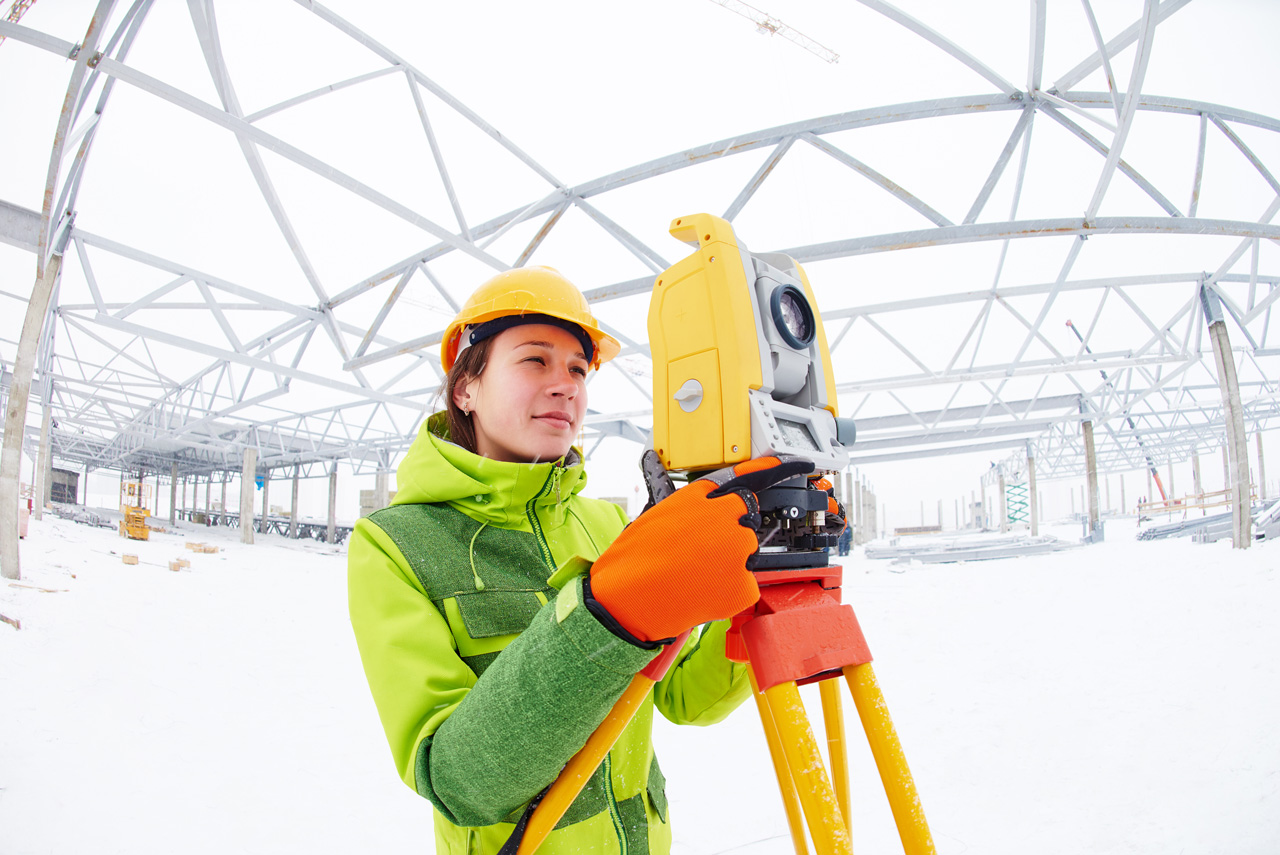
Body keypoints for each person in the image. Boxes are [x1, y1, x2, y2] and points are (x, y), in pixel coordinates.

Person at [347, 266, 808, 854]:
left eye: (577, 370)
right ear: (466, 387)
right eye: (535, 360)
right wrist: (603, 617)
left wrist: (755, 589)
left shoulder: (608, 525)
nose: (565, 385)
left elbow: (687, 696)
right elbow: (458, 779)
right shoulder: (394, 544)